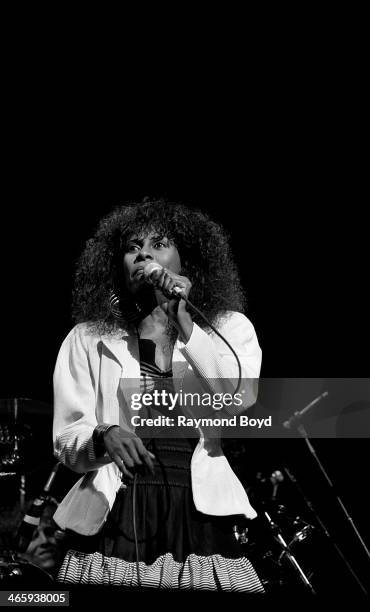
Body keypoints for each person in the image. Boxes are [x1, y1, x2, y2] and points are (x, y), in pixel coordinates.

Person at [52, 199, 264, 592]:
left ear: (187, 262)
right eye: (133, 247)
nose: (144, 253)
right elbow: (67, 441)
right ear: (118, 265)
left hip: (196, 512)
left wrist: (186, 325)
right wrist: (104, 435)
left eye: (159, 243)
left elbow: (238, 396)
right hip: (116, 507)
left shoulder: (228, 329)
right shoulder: (88, 337)